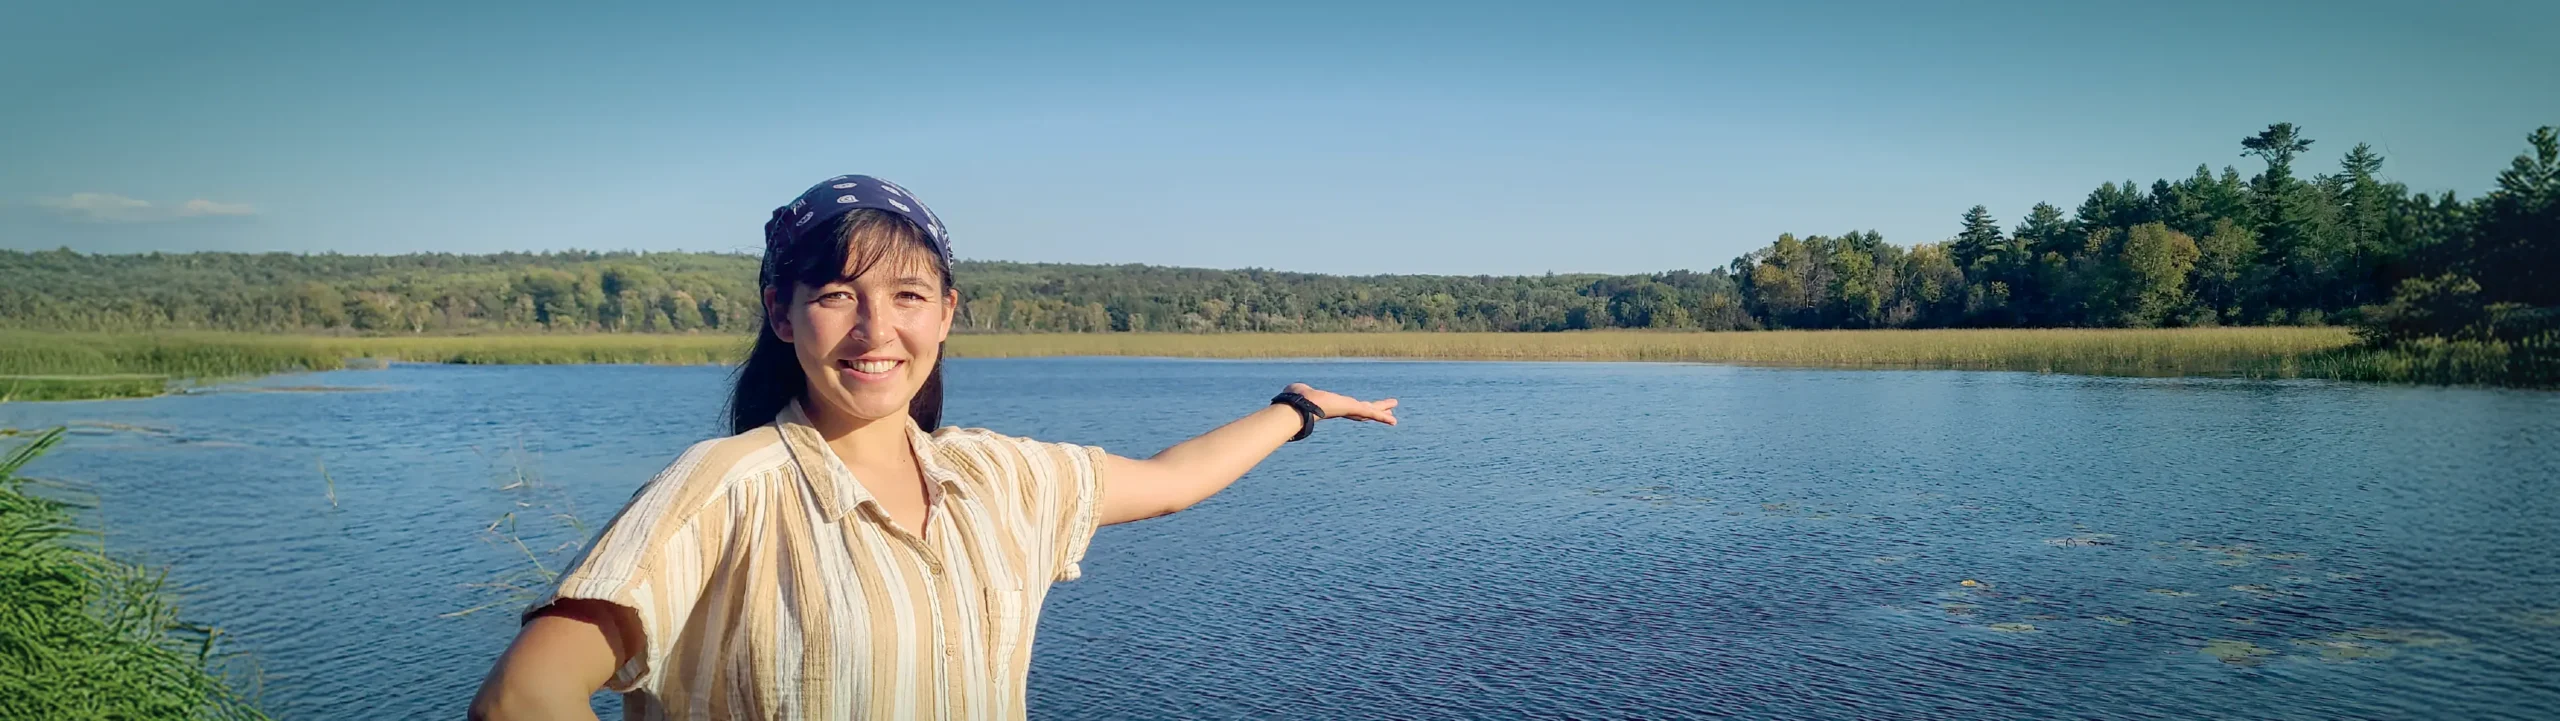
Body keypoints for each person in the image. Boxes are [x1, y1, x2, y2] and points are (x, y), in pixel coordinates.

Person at [467, 175, 1399, 720]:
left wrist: (1300, 407)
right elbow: (522, 696)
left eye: (908, 296)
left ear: (946, 314)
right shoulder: (728, 486)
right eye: (838, 294)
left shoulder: (997, 476)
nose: (876, 329)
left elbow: (1171, 480)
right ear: (782, 315)